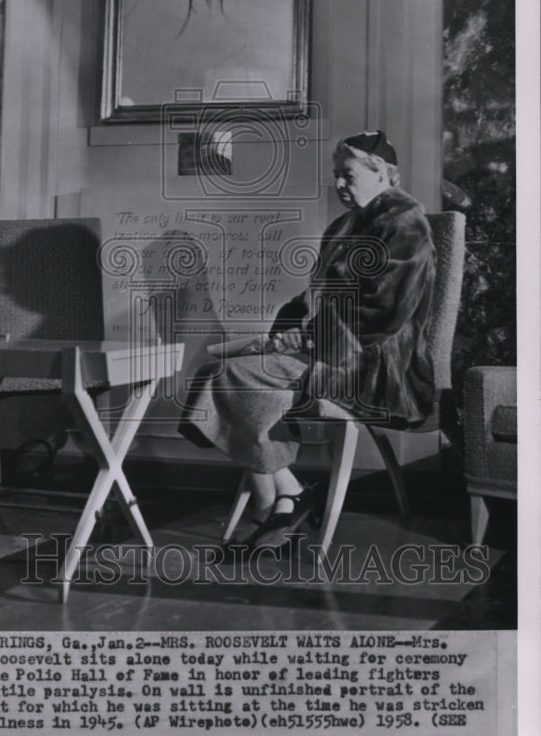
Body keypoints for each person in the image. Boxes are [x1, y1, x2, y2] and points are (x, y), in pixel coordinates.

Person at [178, 130, 437, 552]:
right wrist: (283, 335)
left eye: (347, 174)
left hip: (375, 363)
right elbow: (310, 300)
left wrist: (310, 338)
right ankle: (282, 495)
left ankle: (279, 501)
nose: (338, 184)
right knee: (219, 372)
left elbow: (385, 313)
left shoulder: (405, 223)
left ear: (383, 174)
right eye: (335, 175)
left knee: (232, 377)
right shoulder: (343, 227)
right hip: (335, 349)